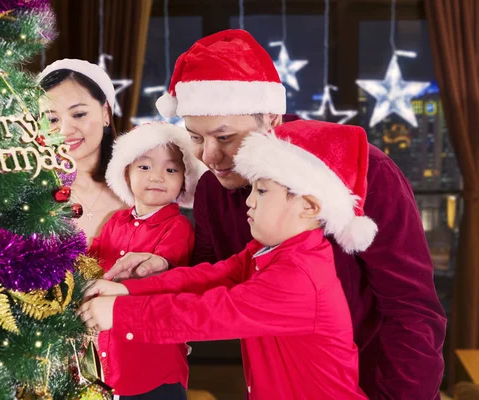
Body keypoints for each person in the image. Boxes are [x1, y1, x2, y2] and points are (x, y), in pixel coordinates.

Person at [102, 29, 447, 399]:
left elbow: (412, 311)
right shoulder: (212, 190)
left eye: (225, 137)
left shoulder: (364, 173)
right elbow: (217, 281)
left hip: (367, 383)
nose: (209, 158)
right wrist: (155, 272)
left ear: (271, 117)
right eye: (196, 138)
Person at [79, 120, 376, 399]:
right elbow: (209, 276)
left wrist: (121, 314)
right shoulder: (269, 252)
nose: (249, 200)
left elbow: (207, 313)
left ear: (309, 207)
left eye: (261, 190)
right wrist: (129, 289)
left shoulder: (299, 277)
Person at [89, 122, 205, 399]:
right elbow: (89, 265)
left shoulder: (178, 226)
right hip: (110, 355)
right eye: (144, 167)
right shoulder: (114, 222)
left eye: (171, 169)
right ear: (126, 173)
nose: (157, 177)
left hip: (155, 358)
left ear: (184, 180)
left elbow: (165, 279)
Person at [38, 59, 125, 246]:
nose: (64, 131)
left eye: (78, 114)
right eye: (52, 119)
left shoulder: (137, 183)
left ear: (105, 113)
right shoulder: (33, 196)